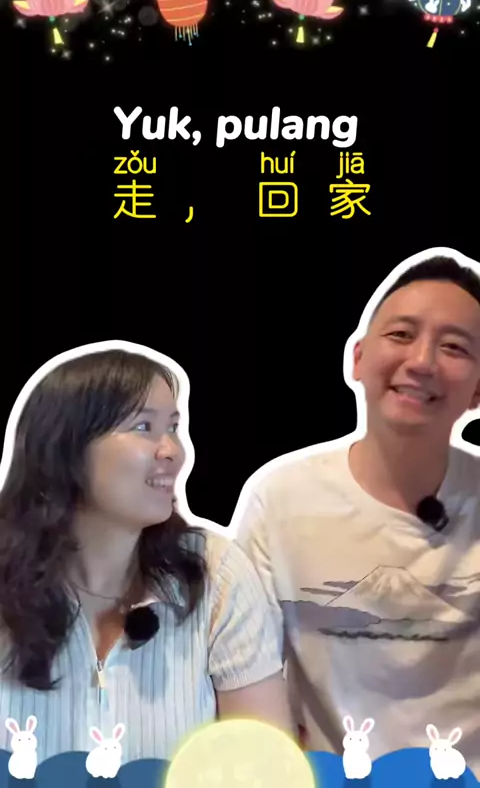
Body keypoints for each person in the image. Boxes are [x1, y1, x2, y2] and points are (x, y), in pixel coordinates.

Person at [232, 254, 480, 775]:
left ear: (479, 388)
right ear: (358, 359)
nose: (422, 361)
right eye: (401, 334)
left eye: (455, 347)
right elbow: (240, 670)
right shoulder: (280, 499)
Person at [0, 345, 292, 764]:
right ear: (65, 447)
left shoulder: (216, 573)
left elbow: (265, 768)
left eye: (173, 427)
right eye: (143, 426)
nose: (173, 451)